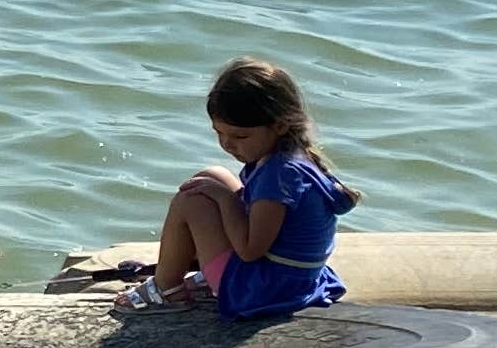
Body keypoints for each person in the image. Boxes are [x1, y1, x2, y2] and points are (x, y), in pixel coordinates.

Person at [126, 58, 359, 317]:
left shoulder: (278, 176)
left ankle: (165, 289)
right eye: (219, 133)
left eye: (240, 136)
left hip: (264, 290)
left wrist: (226, 200)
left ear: (280, 126)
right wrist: (222, 194)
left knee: (190, 203)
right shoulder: (289, 156)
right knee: (212, 175)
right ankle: (198, 271)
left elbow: (249, 251)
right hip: (290, 278)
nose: (227, 144)